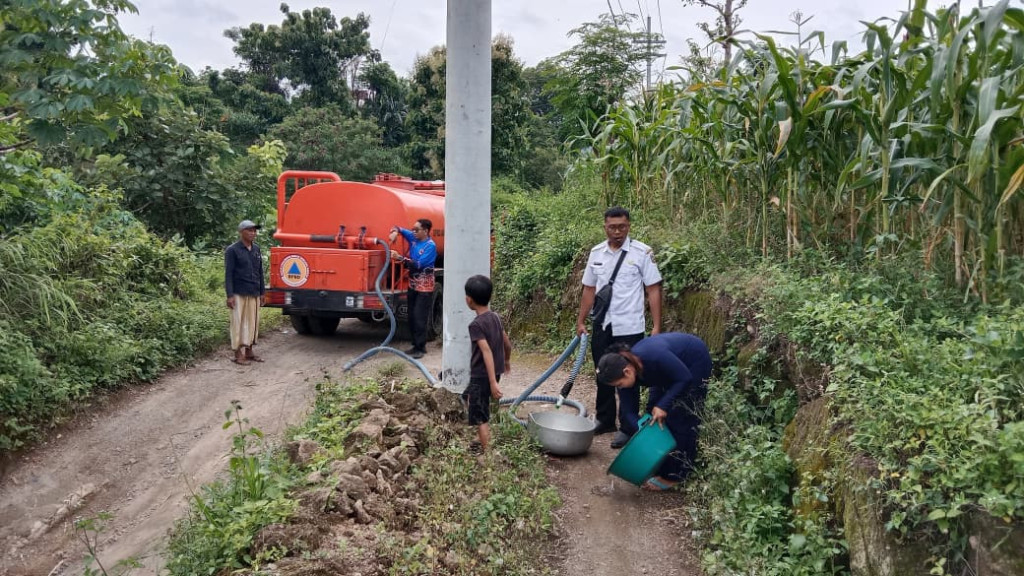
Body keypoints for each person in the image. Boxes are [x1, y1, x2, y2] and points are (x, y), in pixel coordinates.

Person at [576, 207, 663, 449]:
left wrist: (656, 326)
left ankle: (628, 426)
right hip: (603, 324)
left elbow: (653, 288)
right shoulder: (596, 253)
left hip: (630, 326)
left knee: (628, 376)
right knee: (602, 373)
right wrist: (581, 320)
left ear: (629, 226)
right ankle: (604, 420)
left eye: (622, 227)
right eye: (612, 227)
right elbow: (589, 289)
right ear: (605, 227)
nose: (617, 232)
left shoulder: (642, 253)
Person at [596, 333, 711, 491]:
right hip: (664, 372)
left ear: (627, 372)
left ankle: (677, 475)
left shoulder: (654, 357)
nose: (620, 388)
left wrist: (664, 405)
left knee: (682, 415)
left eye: (620, 384)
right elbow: (629, 411)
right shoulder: (625, 373)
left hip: (692, 362)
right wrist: (643, 431)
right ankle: (662, 465)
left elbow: (684, 378)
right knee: (653, 415)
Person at [462, 275, 512, 452]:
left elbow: (486, 351)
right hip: (493, 372)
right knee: (468, 397)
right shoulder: (496, 317)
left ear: (469, 300)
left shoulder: (476, 325)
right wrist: (506, 360)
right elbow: (507, 342)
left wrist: (492, 383)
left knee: (480, 416)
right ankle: (481, 435)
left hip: (482, 375)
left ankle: (488, 453)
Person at [389, 218, 438, 359]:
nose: (413, 232)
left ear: (426, 231)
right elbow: (398, 226)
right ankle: (415, 344)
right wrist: (394, 232)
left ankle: (421, 348)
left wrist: (400, 258)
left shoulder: (430, 246)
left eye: (417, 230)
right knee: (411, 315)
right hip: (413, 285)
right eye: (413, 229)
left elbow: (418, 265)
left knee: (419, 316)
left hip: (424, 287)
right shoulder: (414, 238)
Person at [225, 219, 266, 365]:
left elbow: (260, 271)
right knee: (238, 322)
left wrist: (262, 292)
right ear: (241, 232)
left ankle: (249, 351)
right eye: (249, 230)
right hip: (238, 291)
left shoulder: (256, 249)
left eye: (254, 230)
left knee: (252, 322)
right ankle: (238, 354)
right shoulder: (232, 250)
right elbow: (228, 274)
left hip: (254, 291)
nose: (253, 233)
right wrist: (230, 295)